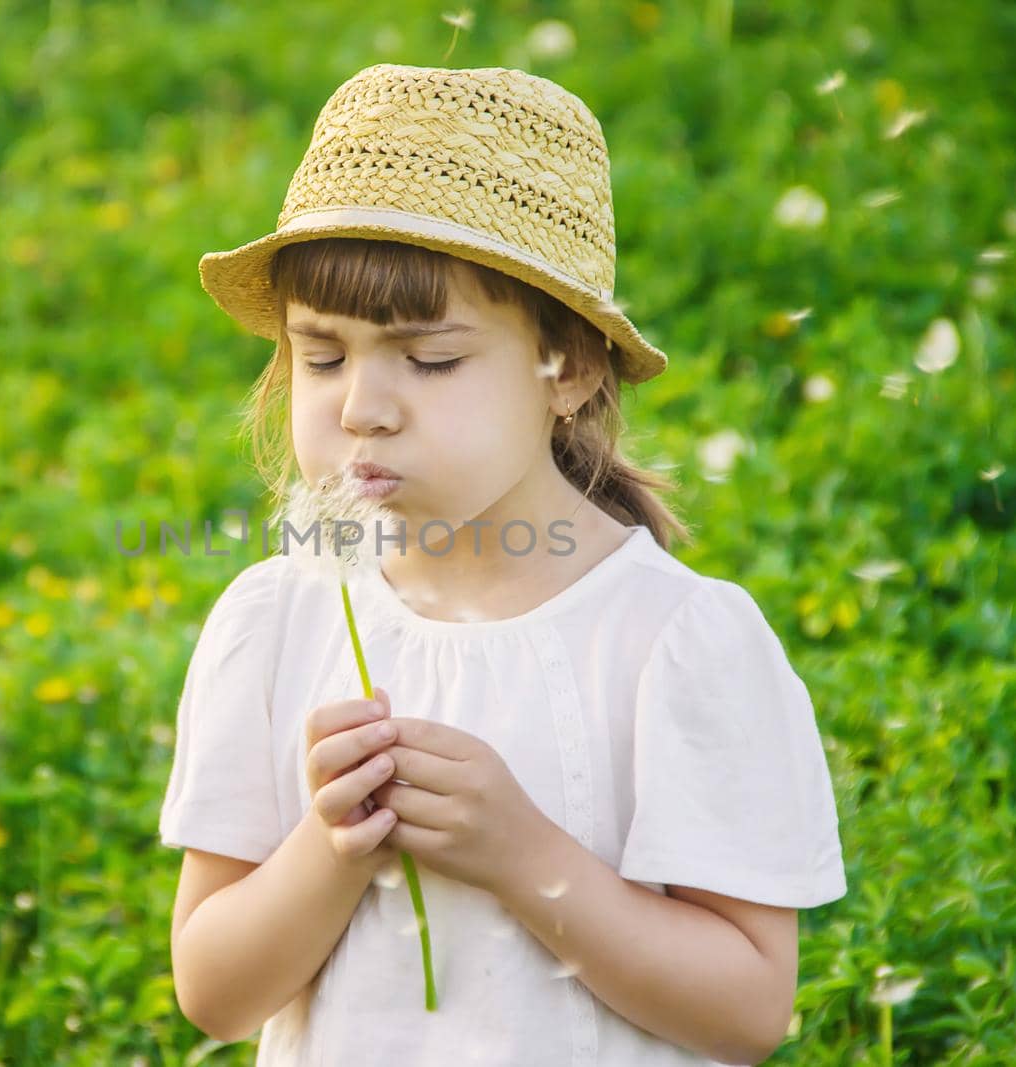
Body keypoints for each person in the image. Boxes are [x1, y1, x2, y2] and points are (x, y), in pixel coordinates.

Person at [158, 63, 846, 1066]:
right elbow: (216, 993)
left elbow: (746, 1011)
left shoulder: (672, 639)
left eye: (429, 359)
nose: (361, 407)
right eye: (323, 354)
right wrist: (330, 846)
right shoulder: (279, 620)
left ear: (565, 367)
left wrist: (525, 857)